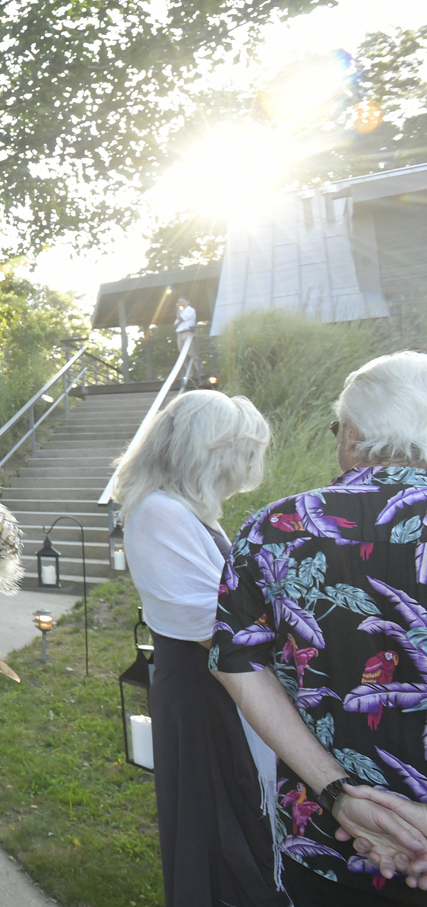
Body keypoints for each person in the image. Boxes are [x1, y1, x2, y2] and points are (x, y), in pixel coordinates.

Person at [213, 351, 427, 905]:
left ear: (352, 434)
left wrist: (336, 793)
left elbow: (237, 663)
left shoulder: (277, 529)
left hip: (331, 841)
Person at [111, 389, 283, 907]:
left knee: (233, 825)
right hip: (204, 692)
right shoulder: (161, 513)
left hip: (217, 685)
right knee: (217, 832)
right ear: (209, 453)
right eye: (238, 451)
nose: (244, 465)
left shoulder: (185, 511)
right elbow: (219, 628)